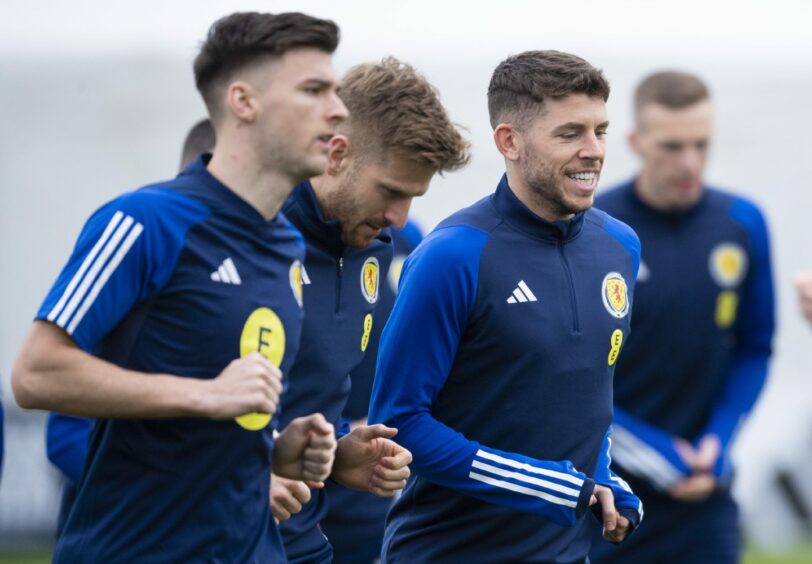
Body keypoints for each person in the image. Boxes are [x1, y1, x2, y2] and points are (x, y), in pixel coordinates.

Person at [12, 12, 348, 562]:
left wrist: (276, 450)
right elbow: (36, 372)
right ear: (243, 101)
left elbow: (214, 421)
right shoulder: (145, 221)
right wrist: (207, 395)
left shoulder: (286, 244)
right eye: (313, 90)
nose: (338, 109)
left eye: (335, 90)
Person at [368, 50, 643, 562]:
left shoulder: (619, 247)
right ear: (509, 141)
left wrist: (602, 479)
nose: (593, 151)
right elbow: (398, 422)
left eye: (600, 131)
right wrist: (556, 488)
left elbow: (585, 399)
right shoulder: (453, 255)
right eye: (569, 134)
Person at [271, 57, 470, 563]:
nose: (399, 219)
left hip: (303, 544)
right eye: (390, 192)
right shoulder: (247, 230)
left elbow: (305, 399)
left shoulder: (376, 246)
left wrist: (338, 453)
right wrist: (251, 470)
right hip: (203, 541)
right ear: (337, 153)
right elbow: (159, 402)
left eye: (413, 197)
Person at [590, 71, 775, 564]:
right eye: (672, 146)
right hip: (610, 501)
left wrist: (719, 440)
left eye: (701, 144)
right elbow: (573, 379)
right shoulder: (595, 231)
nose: (689, 162)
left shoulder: (742, 223)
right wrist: (665, 458)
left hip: (706, 498)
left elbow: (755, 348)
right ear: (634, 142)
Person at [45, 117, 218, 536]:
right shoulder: (139, 236)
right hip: (120, 533)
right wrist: (168, 488)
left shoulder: (263, 260)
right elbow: (63, 433)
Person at [319, 220, 424, 564]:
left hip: (366, 482)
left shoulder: (404, 239)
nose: (397, 212)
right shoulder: (285, 234)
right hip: (287, 482)